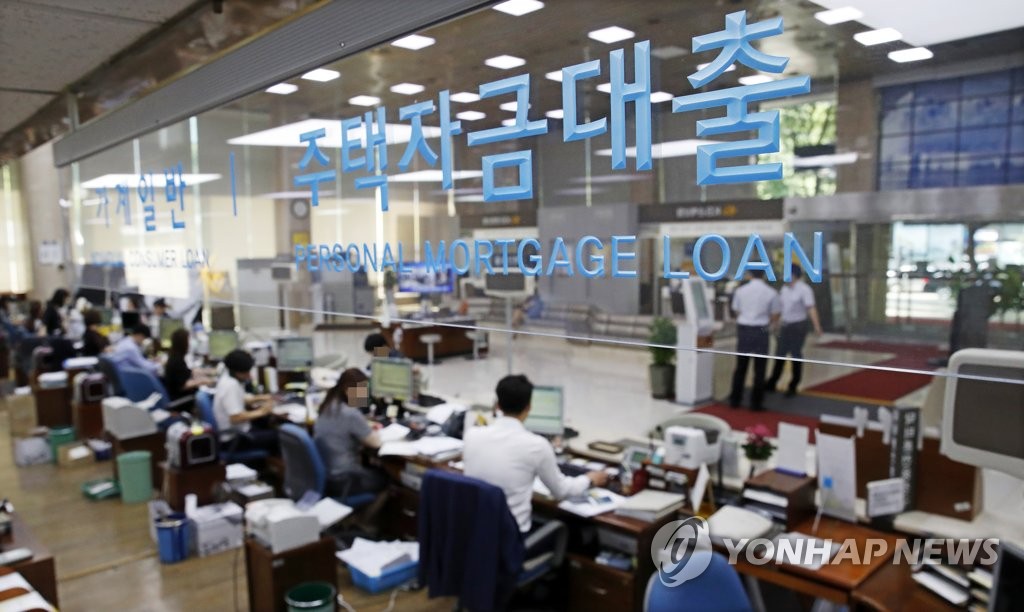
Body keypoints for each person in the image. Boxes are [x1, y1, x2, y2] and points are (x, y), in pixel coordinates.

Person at [463, 374, 608, 533]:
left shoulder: (472, 435)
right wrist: (589, 479)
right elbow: (561, 491)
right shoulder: (536, 445)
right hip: (512, 538)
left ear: (497, 405)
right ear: (529, 407)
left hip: (473, 533)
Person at [314, 368, 388, 497]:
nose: (365, 396)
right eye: (362, 391)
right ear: (348, 390)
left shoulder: (328, 405)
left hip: (328, 474)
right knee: (387, 478)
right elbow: (376, 443)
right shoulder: (351, 414)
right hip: (343, 479)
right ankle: (365, 511)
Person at [728, 270, 781, 411]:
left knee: (741, 366)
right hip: (761, 330)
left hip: (744, 330)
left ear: (749, 274)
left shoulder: (741, 291)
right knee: (760, 368)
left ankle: (735, 399)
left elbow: (736, 310)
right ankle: (756, 403)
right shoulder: (771, 292)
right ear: (764, 274)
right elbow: (775, 315)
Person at [766, 267, 823, 397]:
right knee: (779, 354)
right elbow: (781, 308)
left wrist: (817, 326)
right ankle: (773, 381)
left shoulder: (804, 289)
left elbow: (811, 308)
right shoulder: (784, 289)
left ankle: (793, 384)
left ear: (794, 275)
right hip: (785, 326)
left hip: (798, 326)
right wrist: (775, 323)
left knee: (795, 354)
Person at [212, 349, 277, 452]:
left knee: (265, 424)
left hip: (237, 432)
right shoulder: (231, 386)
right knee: (279, 435)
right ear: (237, 372)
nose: (249, 375)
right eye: (247, 372)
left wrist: (261, 398)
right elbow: (235, 418)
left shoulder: (227, 378)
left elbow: (240, 398)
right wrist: (263, 411)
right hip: (234, 439)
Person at [163, 328, 213, 407]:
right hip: (181, 398)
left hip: (177, 394)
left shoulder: (175, 356)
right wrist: (203, 381)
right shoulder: (176, 361)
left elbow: (187, 371)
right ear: (183, 343)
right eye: (188, 341)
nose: (189, 344)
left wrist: (208, 371)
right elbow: (183, 385)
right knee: (207, 395)